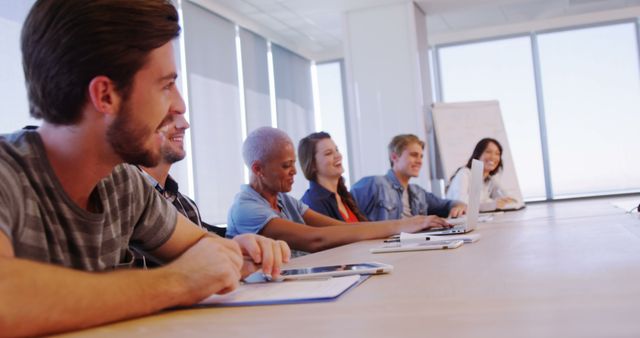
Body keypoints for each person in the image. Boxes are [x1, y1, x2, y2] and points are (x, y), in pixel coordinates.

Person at [0, 1, 289, 336]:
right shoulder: (8, 173)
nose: (179, 105)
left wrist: (234, 253)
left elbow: (201, 246)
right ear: (105, 96)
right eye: (166, 85)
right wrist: (178, 282)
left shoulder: (123, 182)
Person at [226, 127, 451, 255]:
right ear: (258, 169)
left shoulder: (286, 201)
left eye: (294, 163)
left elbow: (343, 229)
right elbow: (315, 239)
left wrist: (406, 228)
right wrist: (403, 225)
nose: (294, 172)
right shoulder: (246, 208)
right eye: (286, 166)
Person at [139, 110, 226, 238]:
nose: (185, 124)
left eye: (181, 115)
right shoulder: (121, 199)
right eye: (169, 115)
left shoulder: (187, 206)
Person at [351, 134, 466, 221]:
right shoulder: (374, 184)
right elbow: (349, 220)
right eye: (414, 155)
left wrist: (459, 206)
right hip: (386, 249)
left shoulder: (418, 192)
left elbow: (447, 204)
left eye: (421, 156)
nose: (420, 161)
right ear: (395, 157)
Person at [298, 132, 367, 222]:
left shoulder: (345, 197)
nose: (338, 156)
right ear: (312, 164)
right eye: (328, 153)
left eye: (336, 150)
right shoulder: (312, 203)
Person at [446, 138, 518, 211]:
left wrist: (502, 201)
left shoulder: (489, 179)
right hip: (458, 220)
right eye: (488, 152)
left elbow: (506, 200)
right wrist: (491, 204)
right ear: (478, 154)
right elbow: (460, 203)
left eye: (497, 153)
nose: (493, 157)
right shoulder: (464, 174)